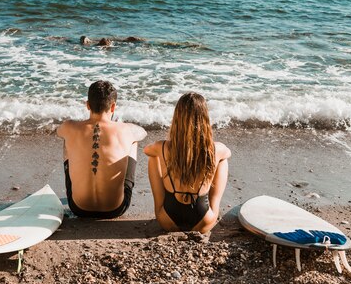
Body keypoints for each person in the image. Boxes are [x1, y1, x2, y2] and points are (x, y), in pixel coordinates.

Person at [57, 80, 147, 218]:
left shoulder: (70, 127)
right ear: (113, 107)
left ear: (87, 105)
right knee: (133, 141)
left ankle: (81, 188)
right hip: (116, 209)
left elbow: (59, 132)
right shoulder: (125, 130)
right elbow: (143, 133)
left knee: (67, 140)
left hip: (78, 207)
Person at [144, 92, 231, 233]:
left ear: (177, 118)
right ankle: (214, 208)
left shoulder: (163, 146)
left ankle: (159, 205)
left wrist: (179, 154)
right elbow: (228, 153)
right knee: (222, 160)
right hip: (203, 221)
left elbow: (147, 150)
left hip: (167, 220)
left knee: (153, 156)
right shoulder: (215, 148)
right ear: (204, 119)